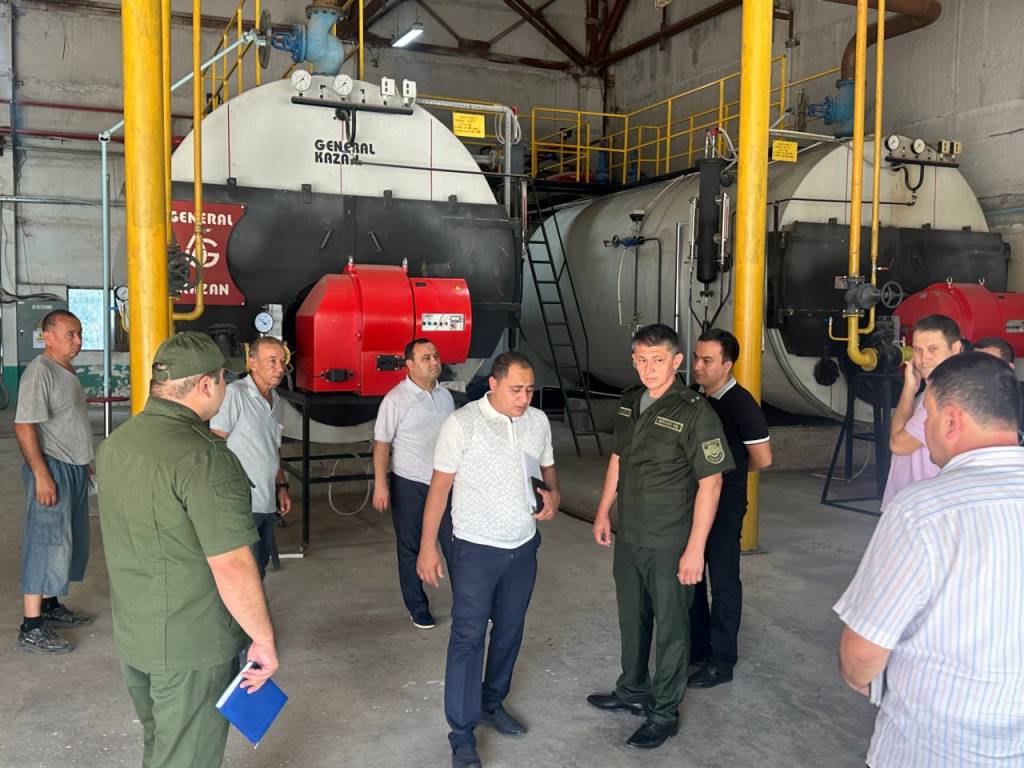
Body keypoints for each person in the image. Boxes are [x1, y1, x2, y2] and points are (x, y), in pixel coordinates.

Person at [97, 331, 279, 768]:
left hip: (137, 634)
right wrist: (263, 639)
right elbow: (232, 564)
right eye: (222, 378)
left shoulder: (117, 444)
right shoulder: (205, 458)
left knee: (161, 746)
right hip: (191, 643)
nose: (224, 387)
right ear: (205, 384)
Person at [834, 352, 1024, 767]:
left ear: (951, 420)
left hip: (930, 748)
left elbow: (861, 657)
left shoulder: (922, 511)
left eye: (928, 414)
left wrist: (865, 678)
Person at [588, 324, 733, 750]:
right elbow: (618, 459)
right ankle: (632, 689)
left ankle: (664, 713)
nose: (648, 368)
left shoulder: (696, 412)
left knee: (672, 628)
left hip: (670, 540)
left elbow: (712, 484)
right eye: (641, 360)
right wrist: (603, 511)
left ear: (676, 361)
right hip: (631, 533)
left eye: (657, 360)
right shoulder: (630, 401)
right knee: (631, 618)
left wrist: (695, 550)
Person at [416, 352, 559, 768]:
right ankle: (462, 734)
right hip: (475, 550)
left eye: (529, 390)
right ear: (493, 385)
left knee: (510, 631)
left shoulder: (537, 421)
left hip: (523, 548)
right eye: (516, 389)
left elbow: (548, 473)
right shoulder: (462, 424)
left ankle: (491, 703)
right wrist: (428, 546)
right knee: (468, 637)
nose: (524, 398)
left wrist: (554, 498)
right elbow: (439, 489)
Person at [688, 328, 772, 689]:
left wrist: (729, 477)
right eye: (696, 357)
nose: (698, 366)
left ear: (727, 365)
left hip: (725, 505)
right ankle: (698, 648)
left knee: (722, 581)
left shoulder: (741, 404)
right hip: (693, 501)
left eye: (707, 360)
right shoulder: (695, 397)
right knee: (691, 576)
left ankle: (722, 662)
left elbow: (762, 459)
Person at [14, 309, 94, 654]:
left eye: (79, 334)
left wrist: (85, 462)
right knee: (45, 542)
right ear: (48, 336)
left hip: (73, 467)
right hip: (52, 468)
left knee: (68, 541)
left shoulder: (66, 370)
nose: (77, 341)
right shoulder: (40, 372)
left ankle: (49, 605)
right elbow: (24, 426)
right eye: (70, 335)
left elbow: (70, 422)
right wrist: (41, 474)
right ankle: (31, 626)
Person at [372, 337, 455, 629]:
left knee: (455, 544)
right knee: (410, 548)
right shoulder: (395, 400)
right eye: (426, 358)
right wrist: (381, 484)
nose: (434, 362)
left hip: (443, 483)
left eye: (436, 356)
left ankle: (467, 602)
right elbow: (382, 444)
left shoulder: (445, 396)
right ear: (409, 364)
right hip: (409, 484)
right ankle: (417, 607)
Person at [210, 336, 292, 580]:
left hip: (266, 501)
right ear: (252, 363)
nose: (279, 368)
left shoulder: (275, 400)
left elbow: (273, 448)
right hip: (241, 503)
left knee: (260, 565)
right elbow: (215, 446)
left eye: (282, 361)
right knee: (244, 572)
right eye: (272, 361)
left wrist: (282, 486)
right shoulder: (235, 394)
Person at [881, 314, 962, 510]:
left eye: (933, 349)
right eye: (917, 350)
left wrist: (909, 388)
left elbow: (899, 444)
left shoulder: (944, 394)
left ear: (956, 348)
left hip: (923, 507)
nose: (924, 358)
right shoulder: (930, 390)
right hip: (911, 504)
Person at [972, 336, 1024, 440]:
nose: (980, 371)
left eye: (989, 364)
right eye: (974, 364)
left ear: (1009, 368)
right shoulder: (961, 398)